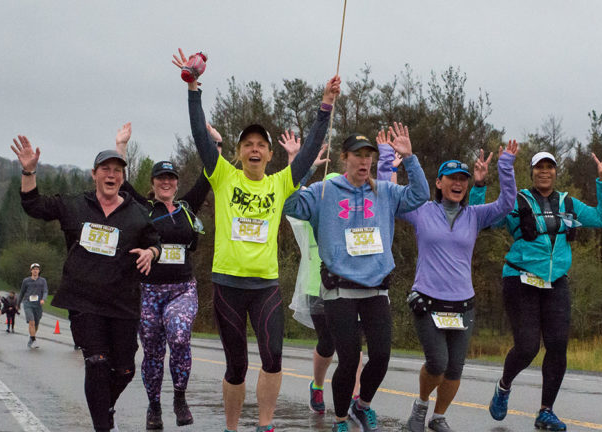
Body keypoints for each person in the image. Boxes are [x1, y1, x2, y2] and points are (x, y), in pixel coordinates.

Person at [175, 47, 340, 432]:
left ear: (269, 155)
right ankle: (232, 427)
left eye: (260, 145)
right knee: (236, 366)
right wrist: (193, 88)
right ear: (238, 153)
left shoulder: (281, 183)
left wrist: (325, 105)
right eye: (247, 144)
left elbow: (312, 147)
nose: (254, 149)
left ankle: (265, 425)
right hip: (227, 284)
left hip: (265, 286)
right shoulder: (222, 175)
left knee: (273, 357)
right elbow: (200, 134)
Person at [284, 123, 430, 432]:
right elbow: (291, 205)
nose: (365, 162)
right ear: (344, 158)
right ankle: (339, 419)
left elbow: (420, 195)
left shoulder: (386, 192)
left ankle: (360, 405)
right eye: (358, 155)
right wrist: (297, 167)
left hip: (376, 289)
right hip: (339, 291)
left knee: (380, 355)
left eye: (369, 156)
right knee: (348, 360)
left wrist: (410, 158)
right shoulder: (324, 191)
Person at [12, 136, 161, 432]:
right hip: (84, 301)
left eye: (117, 170)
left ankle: (103, 408)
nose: (111, 174)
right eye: (105, 169)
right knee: (96, 361)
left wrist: (150, 253)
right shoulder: (75, 205)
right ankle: (103, 426)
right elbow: (33, 205)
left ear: (123, 177)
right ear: (94, 174)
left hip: (123, 303)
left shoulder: (138, 213)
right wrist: (29, 172)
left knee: (125, 369)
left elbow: (155, 244)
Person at [382, 138, 518, 432]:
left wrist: (505, 166)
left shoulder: (475, 215)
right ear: (439, 182)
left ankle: (438, 416)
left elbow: (508, 203)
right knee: (438, 362)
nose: (458, 183)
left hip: (462, 304)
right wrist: (390, 159)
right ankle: (420, 406)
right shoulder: (421, 210)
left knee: (455, 368)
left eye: (463, 179)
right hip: (427, 300)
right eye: (452, 178)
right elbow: (387, 197)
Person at [485, 150, 602, 431]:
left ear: (556, 172)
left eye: (550, 167)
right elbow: (483, 220)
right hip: (520, 279)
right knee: (528, 347)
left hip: (556, 282)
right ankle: (504, 386)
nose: (545, 171)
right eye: (539, 167)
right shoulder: (517, 201)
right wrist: (479, 187)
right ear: (531, 171)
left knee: (557, 347)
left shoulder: (567, 202)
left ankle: (546, 411)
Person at [113, 122, 212, 429]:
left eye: (170, 178)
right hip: (149, 292)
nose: (166, 182)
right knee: (153, 353)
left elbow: (209, 175)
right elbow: (122, 185)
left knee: (180, 334)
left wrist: (214, 143)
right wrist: (121, 147)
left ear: (176, 183)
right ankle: (154, 406)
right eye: (161, 178)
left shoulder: (186, 208)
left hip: (182, 289)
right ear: (153, 183)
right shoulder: (143, 208)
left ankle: (180, 396)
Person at [280, 132, 365, 416]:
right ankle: (317, 385)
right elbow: (290, 197)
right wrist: (304, 166)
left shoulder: (353, 214)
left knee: (354, 344)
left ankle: (355, 396)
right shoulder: (309, 217)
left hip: (352, 285)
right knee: (328, 344)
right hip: (317, 287)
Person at [18, 263, 48, 348]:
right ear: (31, 271)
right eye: (34, 269)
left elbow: (45, 291)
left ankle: (31, 338)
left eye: (37, 269)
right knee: (32, 321)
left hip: (38, 304)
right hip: (28, 303)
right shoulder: (26, 281)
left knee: (36, 323)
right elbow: (22, 292)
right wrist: (18, 304)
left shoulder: (43, 281)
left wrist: (43, 299)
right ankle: (34, 340)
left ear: (39, 271)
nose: (35, 270)